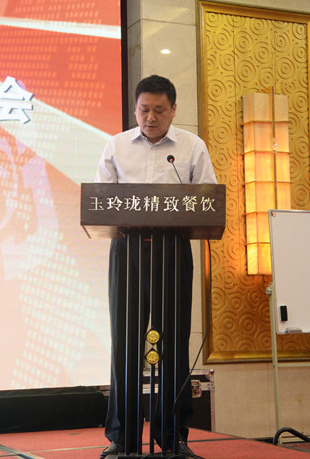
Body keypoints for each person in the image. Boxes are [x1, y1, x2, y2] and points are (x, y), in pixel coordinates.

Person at [95, 75, 217, 458]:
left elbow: (207, 200)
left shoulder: (192, 147)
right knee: (126, 343)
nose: (150, 117)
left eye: (159, 110)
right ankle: (123, 438)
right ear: (135, 109)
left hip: (172, 251)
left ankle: (173, 437)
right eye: (144, 109)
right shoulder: (116, 146)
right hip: (127, 251)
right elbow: (101, 200)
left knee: (174, 344)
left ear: (174, 110)